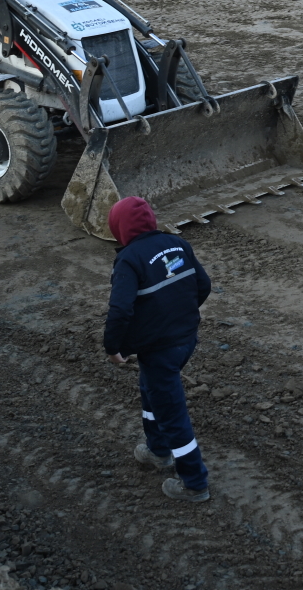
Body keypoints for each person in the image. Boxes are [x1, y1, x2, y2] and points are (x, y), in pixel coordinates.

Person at [103, 196, 212, 502]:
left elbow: (120, 310)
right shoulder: (177, 244)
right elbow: (203, 285)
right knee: (152, 390)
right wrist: (181, 315)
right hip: (186, 340)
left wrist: (113, 347)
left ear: (119, 228)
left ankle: (195, 484)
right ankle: (158, 450)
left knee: (172, 414)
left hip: (159, 349)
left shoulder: (129, 259)